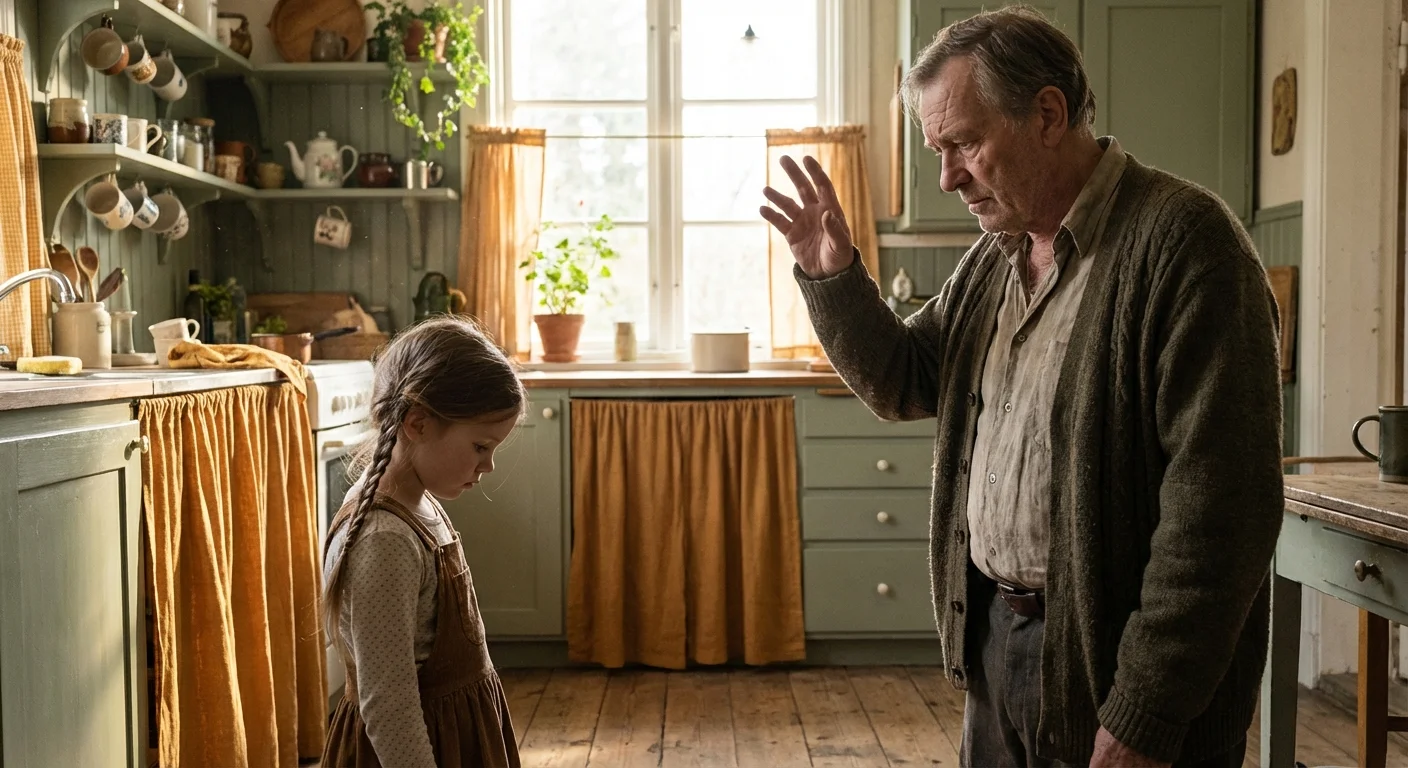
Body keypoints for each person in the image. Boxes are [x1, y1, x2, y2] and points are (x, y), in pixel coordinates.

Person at [760, 5, 1283, 768]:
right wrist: (831, 274)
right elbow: (904, 381)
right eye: (939, 150)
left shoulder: (1188, 245)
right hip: (997, 643)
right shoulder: (995, 257)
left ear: (1047, 113)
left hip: (1115, 669)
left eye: (964, 142)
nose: (947, 177)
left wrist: (1145, 711)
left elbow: (1221, 516)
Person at [320, 315, 527, 767]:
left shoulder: (419, 503)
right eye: (479, 447)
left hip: (455, 735)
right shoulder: (384, 540)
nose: (487, 466)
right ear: (417, 423)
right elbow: (389, 707)